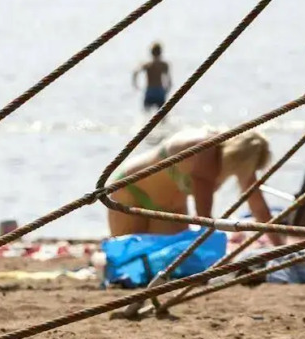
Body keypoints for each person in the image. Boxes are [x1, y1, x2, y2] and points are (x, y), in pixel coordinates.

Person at [106, 129, 279, 244]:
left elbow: (260, 209)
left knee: (170, 263)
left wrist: (282, 250)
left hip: (170, 209)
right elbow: (204, 218)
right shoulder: (206, 151)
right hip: (131, 192)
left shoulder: (241, 166)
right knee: (130, 257)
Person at [134, 43, 172, 111]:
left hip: (150, 91)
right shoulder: (164, 65)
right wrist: (167, 89)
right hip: (160, 91)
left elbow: (135, 72)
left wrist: (136, 85)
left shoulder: (148, 65)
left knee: (146, 114)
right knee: (162, 116)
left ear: (151, 53)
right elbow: (169, 80)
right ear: (160, 52)